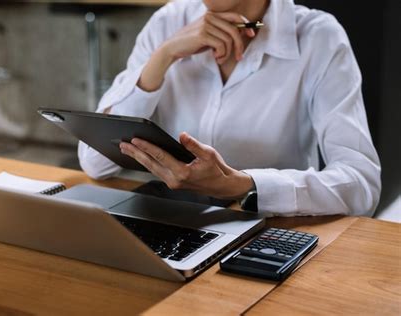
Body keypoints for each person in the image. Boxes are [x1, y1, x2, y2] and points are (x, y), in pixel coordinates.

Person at [78, 0, 381, 217]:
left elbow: (362, 183)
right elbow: (95, 162)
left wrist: (244, 185)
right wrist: (163, 57)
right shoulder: (169, 21)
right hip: (170, 222)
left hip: (272, 232)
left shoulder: (319, 38)